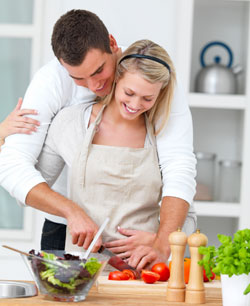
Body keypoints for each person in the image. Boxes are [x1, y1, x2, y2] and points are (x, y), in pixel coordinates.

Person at [0, 10, 196, 266]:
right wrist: (71, 211)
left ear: (113, 45)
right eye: (78, 78)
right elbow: (13, 168)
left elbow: (179, 167)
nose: (93, 86)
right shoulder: (52, 86)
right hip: (69, 231)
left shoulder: (153, 78)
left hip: (140, 242)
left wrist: (161, 240)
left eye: (99, 71)